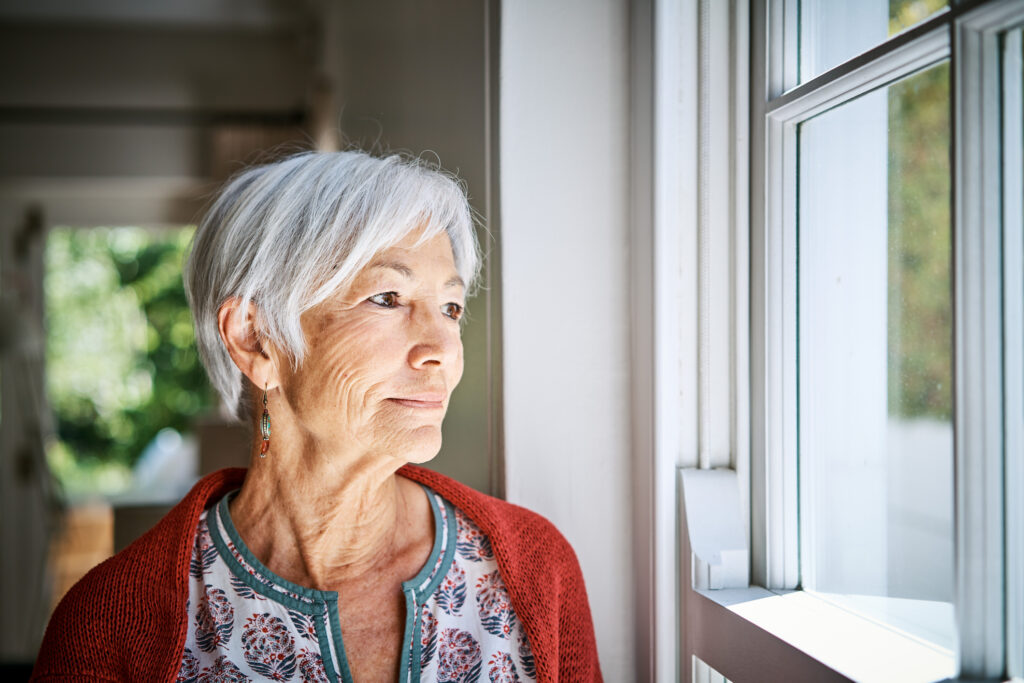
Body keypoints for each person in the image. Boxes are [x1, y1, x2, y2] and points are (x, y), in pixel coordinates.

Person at [32, 151, 602, 682]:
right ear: (257, 340)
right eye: (388, 298)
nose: (443, 349)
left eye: (450, 307)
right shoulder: (103, 631)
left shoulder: (535, 569)